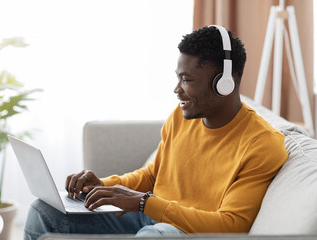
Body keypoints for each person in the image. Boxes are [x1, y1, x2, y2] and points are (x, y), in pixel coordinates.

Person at [24, 26, 288, 240]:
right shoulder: (181, 116)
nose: (177, 89)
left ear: (224, 83)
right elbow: (153, 175)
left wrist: (143, 203)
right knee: (44, 210)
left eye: (187, 80)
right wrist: (104, 185)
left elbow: (231, 225)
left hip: (185, 231)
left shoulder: (261, 143)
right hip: (147, 216)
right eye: (178, 78)